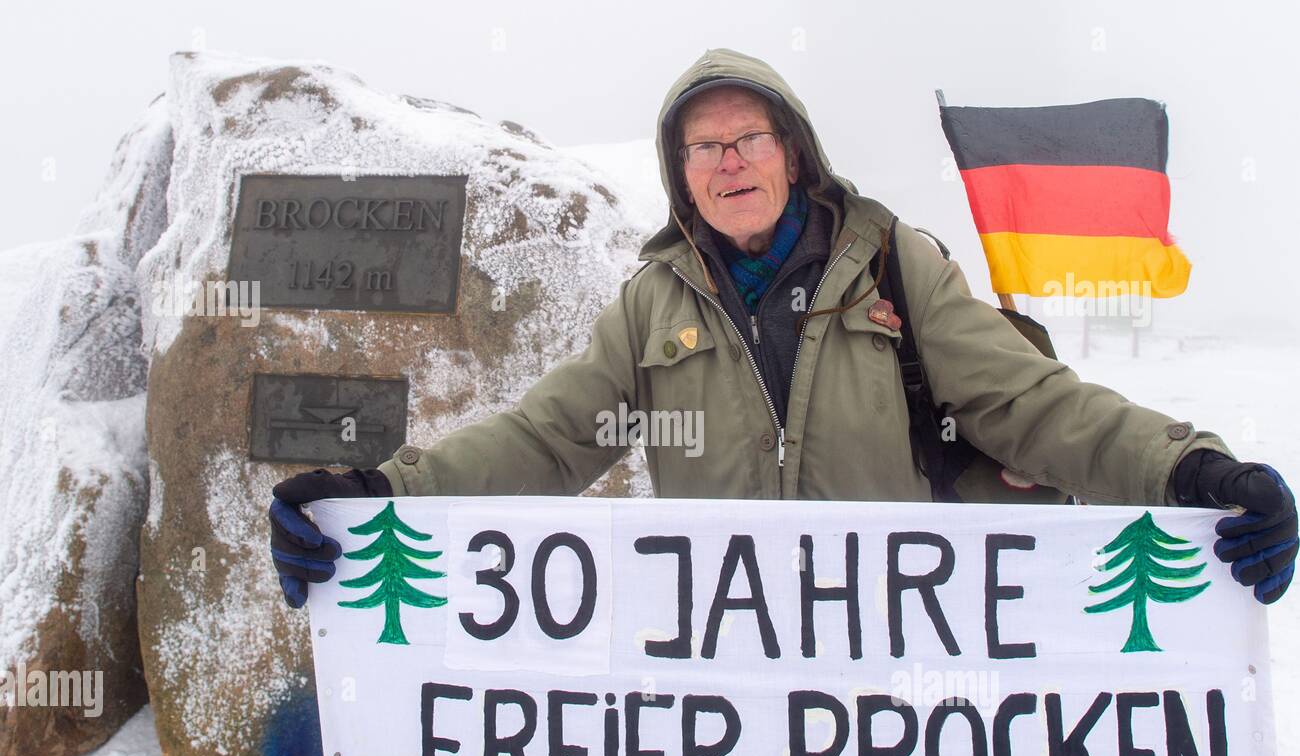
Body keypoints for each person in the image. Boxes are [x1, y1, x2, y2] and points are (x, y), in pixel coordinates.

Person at [270, 48, 1296, 608]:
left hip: (900, 646)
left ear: (792, 153)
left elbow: (1028, 404)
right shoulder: (651, 303)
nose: (728, 162)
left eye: (748, 137)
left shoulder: (896, 265)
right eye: (702, 146)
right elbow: (545, 438)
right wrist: (380, 493)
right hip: (733, 663)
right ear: (679, 174)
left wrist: (1194, 472)